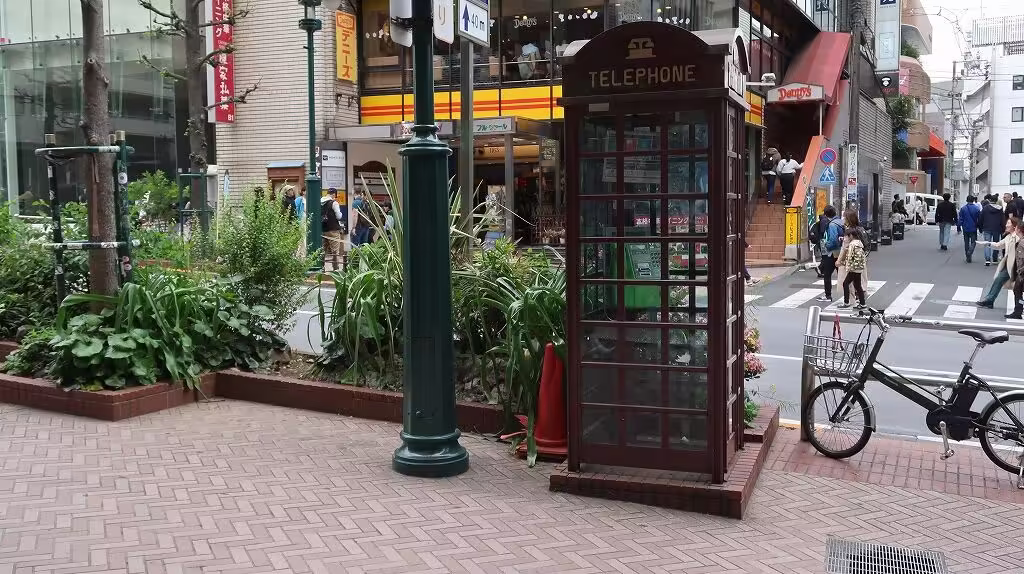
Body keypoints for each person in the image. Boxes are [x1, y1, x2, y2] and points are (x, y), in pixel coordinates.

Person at [975, 217, 1020, 309]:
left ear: (1014, 226)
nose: (1006, 225)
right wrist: (987, 243)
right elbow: (999, 245)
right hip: (1009, 265)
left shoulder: (1018, 237)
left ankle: (1019, 307)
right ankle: (990, 300)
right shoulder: (1008, 237)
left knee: (1018, 288)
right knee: (999, 280)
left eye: (1008, 223)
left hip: (1017, 266)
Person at [816, 206, 844, 303]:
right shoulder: (841, 221)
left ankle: (828, 295)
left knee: (827, 274)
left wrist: (826, 246)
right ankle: (854, 295)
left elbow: (833, 240)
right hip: (842, 251)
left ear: (826, 214)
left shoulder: (832, 225)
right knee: (843, 274)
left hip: (833, 252)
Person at [836, 226, 868, 309]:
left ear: (851, 236)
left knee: (845, 283)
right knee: (858, 285)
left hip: (853, 268)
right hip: (859, 267)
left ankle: (846, 302)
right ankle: (862, 303)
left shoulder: (852, 244)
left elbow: (850, 257)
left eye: (847, 236)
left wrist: (845, 265)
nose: (846, 238)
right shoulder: (859, 243)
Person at [321, 188, 345, 269]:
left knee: (322, 250)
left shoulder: (320, 202)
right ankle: (335, 268)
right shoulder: (334, 203)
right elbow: (339, 216)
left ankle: (321, 267)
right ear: (334, 194)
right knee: (335, 250)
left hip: (323, 229)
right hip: (333, 229)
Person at [979, 196, 1005, 266]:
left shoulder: (985, 208)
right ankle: (995, 259)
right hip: (997, 228)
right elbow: (1002, 219)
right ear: (996, 200)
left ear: (990, 200)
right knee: (996, 244)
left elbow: (981, 218)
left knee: (987, 243)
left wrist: (980, 227)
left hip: (987, 228)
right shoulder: (1000, 209)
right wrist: (1003, 228)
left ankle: (987, 260)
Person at [957, 195, 982, 263]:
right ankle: (970, 251)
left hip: (965, 227)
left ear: (966, 200)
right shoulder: (977, 209)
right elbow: (979, 219)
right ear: (973, 200)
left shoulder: (963, 208)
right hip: (973, 227)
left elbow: (960, 219)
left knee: (966, 242)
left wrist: (958, 227)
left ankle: (968, 256)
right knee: (974, 241)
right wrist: (980, 228)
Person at [1009, 219, 1024, 320]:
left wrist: (1021, 271)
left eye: (1017, 228)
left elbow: (1021, 259)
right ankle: (1018, 310)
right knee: (1017, 290)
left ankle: (1018, 311)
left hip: (1022, 272)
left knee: (1017, 291)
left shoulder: (1022, 243)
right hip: (1021, 272)